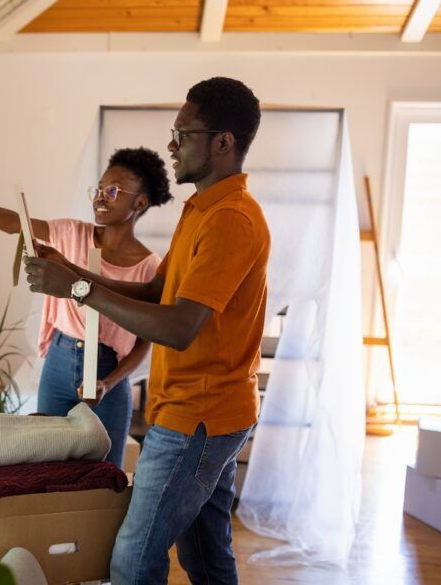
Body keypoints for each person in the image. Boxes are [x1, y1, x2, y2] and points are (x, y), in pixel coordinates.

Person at [24, 77, 269, 584]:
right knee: (205, 556)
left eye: (184, 133)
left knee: (132, 560)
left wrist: (79, 291)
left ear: (223, 142)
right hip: (204, 412)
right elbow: (159, 294)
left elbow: (178, 328)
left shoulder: (230, 220)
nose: (172, 145)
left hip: (197, 418)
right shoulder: (200, 210)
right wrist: (74, 276)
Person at [0, 148, 173, 468]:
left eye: (113, 190)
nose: (101, 196)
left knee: (105, 476)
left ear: (140, 203)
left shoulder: (149, 268)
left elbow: (144, 341)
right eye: (99, 188)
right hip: (58, 364)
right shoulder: (72, 234)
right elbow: (16, 224)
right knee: (45, 468)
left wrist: (110, 382)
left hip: (107, 373)